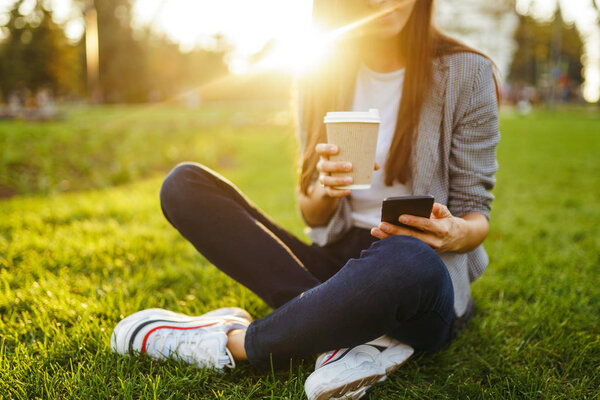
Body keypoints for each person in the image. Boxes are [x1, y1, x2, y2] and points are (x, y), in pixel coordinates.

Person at [111, 0, 500, 399]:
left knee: (407, 258)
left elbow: (477, 214)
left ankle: (230, 344)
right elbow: (310, 212)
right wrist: (325, 189)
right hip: (338, 261)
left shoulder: (466, 72)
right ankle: (342, 333)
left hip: (419, 276)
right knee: (184, 184)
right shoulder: (319, 71)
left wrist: (453, 232)